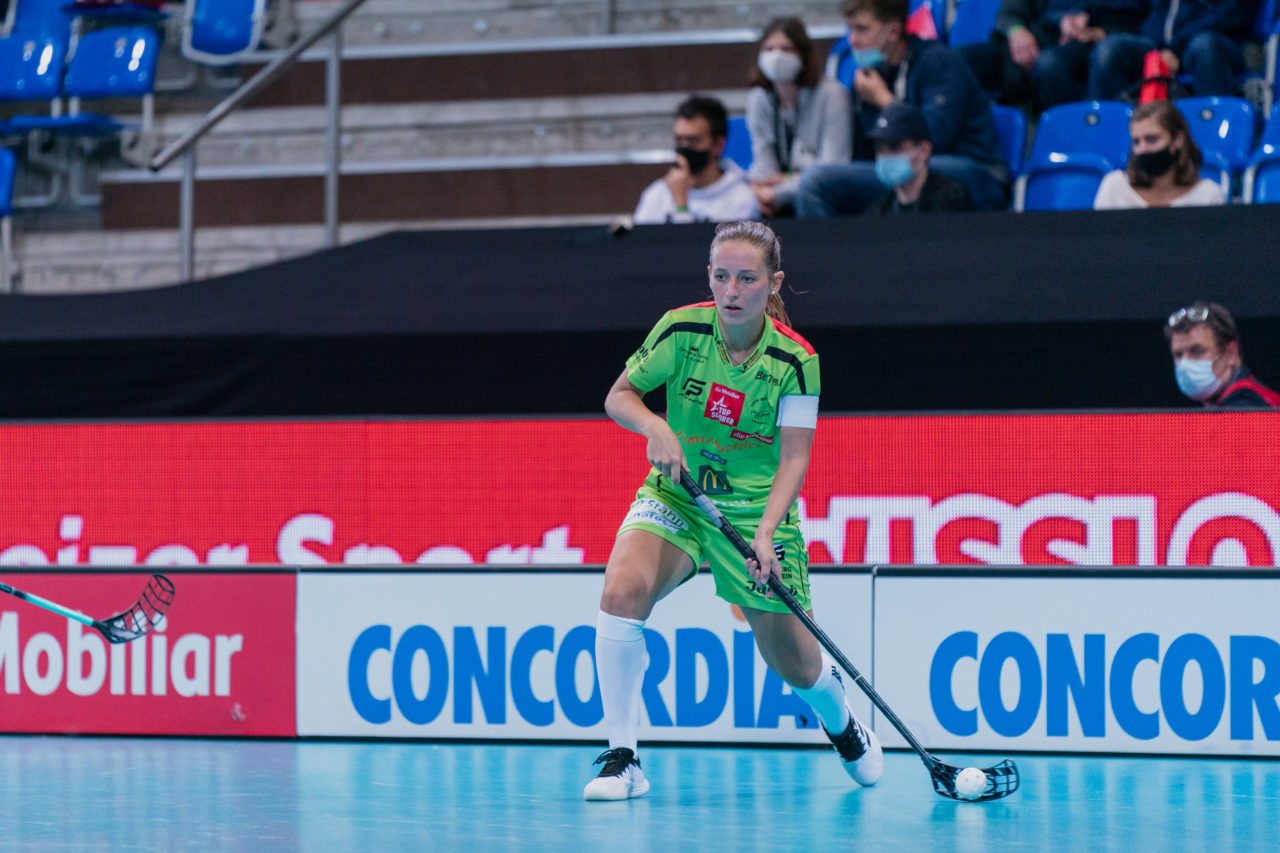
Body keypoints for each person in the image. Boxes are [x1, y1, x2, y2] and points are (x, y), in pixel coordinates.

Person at [583, 220, 883, 801]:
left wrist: (768, 533)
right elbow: (618, 395)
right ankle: (624, 758)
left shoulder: (796, 361)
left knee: (793, 665)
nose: (732, 291)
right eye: (722, 276)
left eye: (748, 278)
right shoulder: (681, 329)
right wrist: (655, 427)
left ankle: (841, 720)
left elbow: (795, 459)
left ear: (773, 283)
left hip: (751, 515)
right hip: (679, 494)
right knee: (621, 593)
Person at [797, 0, 1009, 215]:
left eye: (861, 29)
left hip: (969, 170)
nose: (852, 40)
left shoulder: (938, 62)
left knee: (911, 168)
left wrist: (885, 101)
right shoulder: (870, 76)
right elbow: (865, 151)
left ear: (893, 30)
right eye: (849, 29)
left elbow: (935, 139)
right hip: (900, 167)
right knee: (815, 184)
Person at [746, 17, 853, 217]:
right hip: (776, 192)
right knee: (744, 203)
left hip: (820, 190)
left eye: (787, 49)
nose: (776, 56)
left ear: (803, 55)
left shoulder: (832, 95)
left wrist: (780, 187)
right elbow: (763, 161)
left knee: (809, 190)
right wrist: (759, 191)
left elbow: (832, 169)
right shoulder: (758, 98)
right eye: (769, 49)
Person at [1088, 0, 1256, 101]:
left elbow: (1232, 14)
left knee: (1205, 46)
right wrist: (1089, 18)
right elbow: (1134, 6)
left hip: (1217, 42)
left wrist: (1175, 48)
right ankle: (1107, 143)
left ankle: (1214, 141)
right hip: (1157, 44)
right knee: (1109, 50)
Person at [633, 95, 760, 225]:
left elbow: (694, 245)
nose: (684, 148)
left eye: (693, 141)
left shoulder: (741, 200)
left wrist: (681, 206)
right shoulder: (657, 193)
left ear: (718, 145)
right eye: (679, 140)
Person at [1093, 99, 1224, 208]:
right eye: (1136, 142)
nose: (1142, 149)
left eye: (1152, 139)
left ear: (1178, 139)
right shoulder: (1114, 187)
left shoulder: (1209, 195)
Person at [1030, 0, 1152, 108]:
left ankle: (1105, 126)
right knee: (1048, 63)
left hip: (1131, 33)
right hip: (1082, 36)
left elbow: (1152, 16)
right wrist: (1067, 19)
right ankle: (1074, 129)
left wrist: (1106, 31)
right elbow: (1052, 10)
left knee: (1106, 52)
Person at [863, 101, 975, 214]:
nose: (886, 157)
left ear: (924, 150)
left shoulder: (951, 199)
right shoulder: (878, 211)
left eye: (895, 148)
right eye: (879, 150)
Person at [1165, 302, 1280, 407]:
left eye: (1197, 351)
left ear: (1231, 353)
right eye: (1178, 355)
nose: (1185, 363)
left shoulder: (1248, 406)